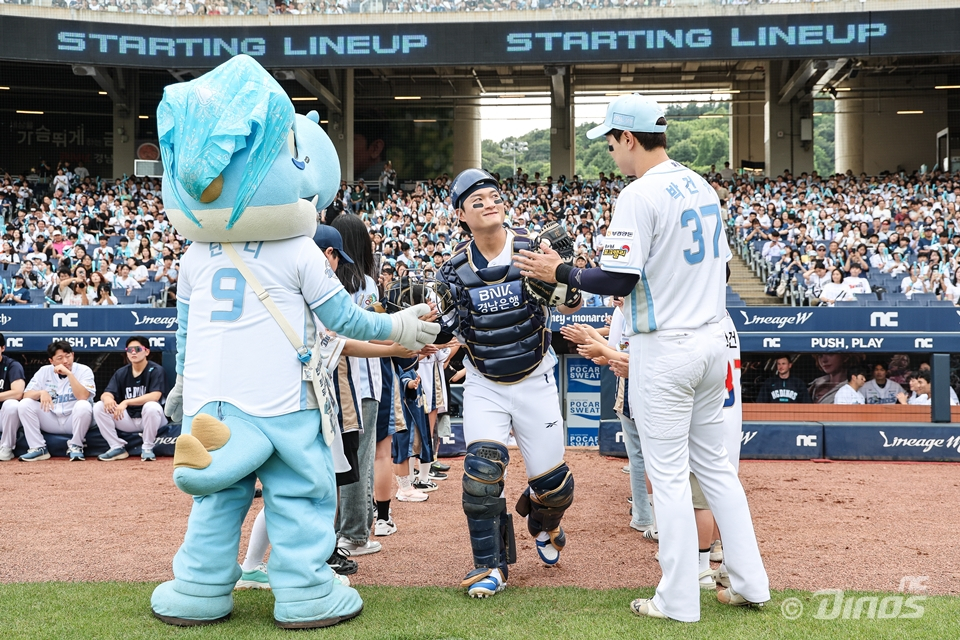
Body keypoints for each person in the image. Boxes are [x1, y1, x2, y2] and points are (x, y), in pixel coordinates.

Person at [514, 93, 769, 620]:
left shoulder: (638, 193)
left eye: (612, 142)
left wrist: (560, 271)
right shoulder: (700, 183)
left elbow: (619, 280)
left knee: (669, 477)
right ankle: (750, 582)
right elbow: (716, 270)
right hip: (712, 339)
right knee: (717, 470)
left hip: (668, 346)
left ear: (629, 137)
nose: (611, 152)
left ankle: (678, 599)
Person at [436, 168, 582, 599]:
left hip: (535, 378)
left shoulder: (531, 250)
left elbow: (572, 305)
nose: (489, 204)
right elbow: (447, 330)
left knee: (556, 489)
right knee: (481, 475)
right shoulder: (452, 271)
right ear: (461, 215)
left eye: (494, 197)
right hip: (485, 383)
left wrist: (562, 278)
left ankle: (544, 522)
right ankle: (490, 567)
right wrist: (419, 327)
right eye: (476, 201)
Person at [17, 340, 95, 461]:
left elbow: (83, 396)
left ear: (73, 355)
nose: (65, 361)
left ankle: (76, 446)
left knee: (83, 405)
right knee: (24, 404)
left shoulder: (84, 370)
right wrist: (41, 392)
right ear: (51, 361)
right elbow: (26, 394)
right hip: (52, 419)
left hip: (73, 420)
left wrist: (69, 374)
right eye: (60, 358)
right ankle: (38, 448)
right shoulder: (44, 371)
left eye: (68, 356)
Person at [93, 336, 168, 461]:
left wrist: (126, 402)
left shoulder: (156, 370)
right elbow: (106, 393)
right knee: (99, 406)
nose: (133, 352)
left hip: (153, 419)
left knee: (151, 406)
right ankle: (116, 447)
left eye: (137, 349)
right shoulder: (121, 372)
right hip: (128, 419)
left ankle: (147, 448)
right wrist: (108, 399)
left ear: (147, 351)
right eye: (130, 350)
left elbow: (155, 396)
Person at [0, 334, 26, 461]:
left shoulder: (12, 365)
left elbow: (18, 393)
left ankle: (6, 448)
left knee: (12, 405)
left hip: (5, 417)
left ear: (2, 348)